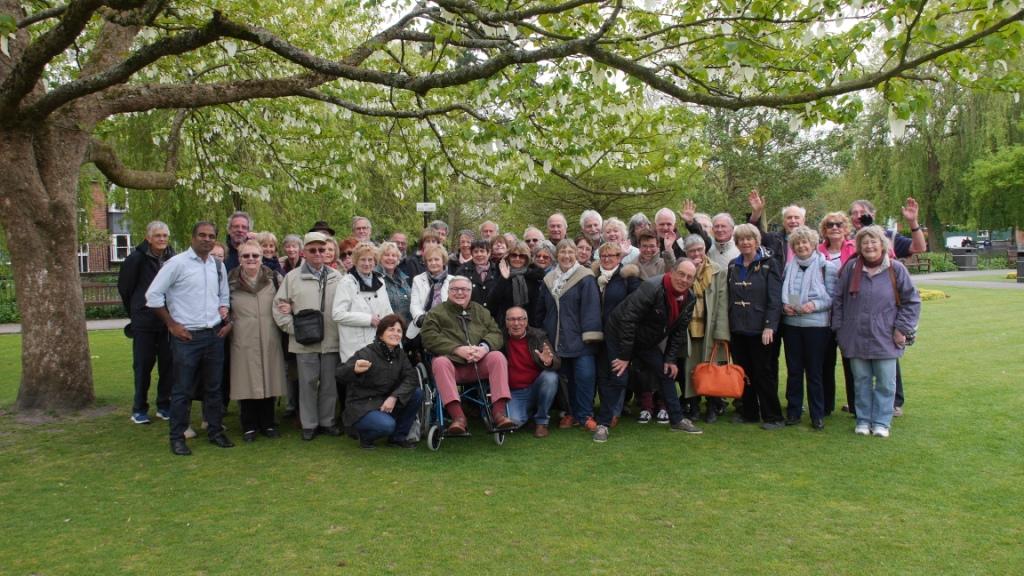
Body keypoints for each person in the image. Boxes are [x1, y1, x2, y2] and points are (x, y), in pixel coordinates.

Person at [146, 221, 234, 456]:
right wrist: (171, 324)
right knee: (182, 389)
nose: (207, 239)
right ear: (192, 237)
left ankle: (215, 431)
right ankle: (177, 437)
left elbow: (223, 296)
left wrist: (225, 318)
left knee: (214, 388)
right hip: (188, 336)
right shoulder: (176, 264)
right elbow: (153, 295)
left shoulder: (217, 266)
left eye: (211, 236)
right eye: (202, 235)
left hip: (214, 334)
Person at [832, 226, 920, 438]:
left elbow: (911, 301)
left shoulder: (895, 269)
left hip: (885, 335)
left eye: (874, 242)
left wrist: (902, 329)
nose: (870, 246)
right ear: (860, 247)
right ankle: (863, 419)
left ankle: (881, 421)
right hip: (855, 335)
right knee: (860, 381)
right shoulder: (851, 268)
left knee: (885, 382)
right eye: (865, 243)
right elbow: (838, 300)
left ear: (882, 245)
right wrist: (839, 331)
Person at [603, 259, 704, 442]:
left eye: (689, 277)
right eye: (681, 274)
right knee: (619, 376)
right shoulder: (652, 287)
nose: (684, 279)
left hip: (645, 339)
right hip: (619, 333)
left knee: (666, 372)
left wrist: (670, 359)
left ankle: (677, 420)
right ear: (672, 271)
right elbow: (628, 320)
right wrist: (625, 356)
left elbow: (679, 331)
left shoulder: (689, 298)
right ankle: (603, 424)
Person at [420, 276, 516, 434]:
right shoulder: (436, 313)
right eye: (455, 289)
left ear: (470, 292)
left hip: (479, 364)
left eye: (464, 289)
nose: (459, 293)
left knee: (497, 356)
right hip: (452, 366)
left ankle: (499, 414)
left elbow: (496, 333)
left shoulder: (480, 311)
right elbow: (429, 337)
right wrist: (457, 349)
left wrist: (484, 348)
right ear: (448, 292)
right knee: (439, 362)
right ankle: (458, 418)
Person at [273, 231, 344, 441]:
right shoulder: (292, 278)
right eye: (312, 250)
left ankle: (327, 421)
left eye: (322, 250)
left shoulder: (337, 277)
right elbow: (278, 307)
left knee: (329, 385)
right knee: (307, 384)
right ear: (304, 252)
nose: (318, 254)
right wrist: (294, 329)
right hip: (304, 342)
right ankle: (309, 424)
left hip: (331, 340)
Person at [536, 239, 603, 431]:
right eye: (562, 252)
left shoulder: (585, 278)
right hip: (556, 340)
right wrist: (542, 336)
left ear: (576, 255)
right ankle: (570, 413)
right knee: (566, 381)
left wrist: (589, 338)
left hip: (581, 340)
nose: (566, 256)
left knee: (585, 378)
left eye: (570, 252)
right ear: (557, 256)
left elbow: (591, 309)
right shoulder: (549, 280)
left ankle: (585, 415)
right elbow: (541, 310)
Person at [780, 227, 838, 431]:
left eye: (805, 242)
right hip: (792, 325)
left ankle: (817, 414)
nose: (801, 246)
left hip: (816, 326)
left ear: (814, 244)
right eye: (797, 243)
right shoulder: (789, 267)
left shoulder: (826, 267)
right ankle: (794, 411)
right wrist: (784, 305)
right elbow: (784, 293)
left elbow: (832, 297)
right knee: (794, 371)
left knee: (815, 372)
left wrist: (814, 305)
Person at [727, 223, 784, 430]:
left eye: (749, 238)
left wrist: (770, 326)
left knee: (764, 372)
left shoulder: (770, 264)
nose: (745, 242)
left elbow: (775, 299)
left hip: (762, 329)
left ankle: (773, 416)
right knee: (745, 373)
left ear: (756, 240)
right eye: (741, 239)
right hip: (738, 328)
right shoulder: (733, 265)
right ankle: (749, 412)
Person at [337, 315, 424, 449]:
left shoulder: (400, 354)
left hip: (385, 401)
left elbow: (411, 378)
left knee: (417, 393)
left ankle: (397, 438)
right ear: (381, 334)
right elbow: (340, 374)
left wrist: (394, 396)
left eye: (399, 331)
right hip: (362, 406)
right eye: (391, 330)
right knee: (387, 425)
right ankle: (365, 437)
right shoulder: (367, 353)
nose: (395, 333)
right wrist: (353, 369)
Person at [118, 220, 176, 425]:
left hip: (167, 320)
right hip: (144, 322)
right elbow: (126, 288)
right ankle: (139, 408)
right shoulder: (136, 259)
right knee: (143, 365)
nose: (162, 239)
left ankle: (164, 404)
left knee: (168, 364)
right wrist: (137, 311)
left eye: (165, 236)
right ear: (148, 238)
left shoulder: (172, 258)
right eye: (158, 236)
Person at [228, 241, 285, 442]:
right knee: (246, 380)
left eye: (255, 255)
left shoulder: (274, 278)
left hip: (269, 335)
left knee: (269, 379)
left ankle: (268, 423)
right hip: (243, 336)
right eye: (246, 256)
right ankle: (249, 425)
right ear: (239, 258)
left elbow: (285, 300)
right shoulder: (230, 281)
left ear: (262, 257)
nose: (251, 259)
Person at [677, 234, 731, 424]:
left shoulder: (718, 271)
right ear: (686, 253)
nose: (697, 254)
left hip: (711, 328)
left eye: (700, 249)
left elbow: (723, 303)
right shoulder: (682, 272)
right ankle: (693, 407)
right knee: (691, 370)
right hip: (690, 329)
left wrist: (721, 332)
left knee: (712, 369)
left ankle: (712, 407)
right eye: (692, 251)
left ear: (705, 250)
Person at [591, 241, 641, 441]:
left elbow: (635, 308)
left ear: (619, 258)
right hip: (596, 335)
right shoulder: (593, 277)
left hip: (619, 336)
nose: (607, 259)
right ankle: (607, 413)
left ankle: (608, 416)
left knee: (618, 375)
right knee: (603, 376)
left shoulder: (627, 278)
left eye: (611, 256)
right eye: (603, 256)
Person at [818, 212, 856, 416]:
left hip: (848, 314)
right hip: (824, 315)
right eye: (830, 225)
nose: (834, 228)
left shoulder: (854, 249)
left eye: (839, 224)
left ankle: (856, 404)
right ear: (824, 230)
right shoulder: (817, 251)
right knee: (825, 361)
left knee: (851, 361)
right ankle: (825, 405)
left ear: (846, 228)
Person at [502, 306, 560, 438]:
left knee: (550, 377)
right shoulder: (501, 339)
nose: (516, 323)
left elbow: (556, 362)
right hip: (514, 392)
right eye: (512, 319)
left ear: (526, 321)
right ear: (506, 322)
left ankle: (541, 421)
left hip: (536, 386)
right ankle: (529, 413)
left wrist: (548, 362)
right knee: (514, 423)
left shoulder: (538, 336)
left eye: (520, 319)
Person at [332, 242, 394, 363]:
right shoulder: (346, 282)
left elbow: (387, 311)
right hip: (355, 347)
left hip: (380, 343)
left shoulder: (380, 280)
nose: (367, 263)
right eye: (362, 259)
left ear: (375, 261)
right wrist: (368, 319)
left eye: (370, 259)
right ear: (355, 261)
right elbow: (337, 314)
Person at [491, 241, 546, 329]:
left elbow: (537, 305)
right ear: (508, 257)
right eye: (514, 255)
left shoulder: (533, 276)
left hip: (529, 326)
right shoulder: (500, 271)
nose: (517, 258)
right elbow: (492, 302)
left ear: (527, 258)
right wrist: (503, 278)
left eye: (521, 256)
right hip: (505, 326)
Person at [407, 245, 452, 340]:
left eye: (436, 259)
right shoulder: (418, 280)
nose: (433, 263)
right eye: (430, 260)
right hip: (424, 326)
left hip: (448, 328)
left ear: (443, 261)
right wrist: (422, 319)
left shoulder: (453, 280)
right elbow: (414, 305)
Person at [457, 239, 499, 317]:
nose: (479, 254)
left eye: (482, 251)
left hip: (493, 317)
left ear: (489, 253)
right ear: (472, 253)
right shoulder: (463, 270)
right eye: (476, 251)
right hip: (470, 317)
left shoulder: (497, 270)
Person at [378, 241, 413, 327]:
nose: (390, 258)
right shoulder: (376, 278)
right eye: (386, 255)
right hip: (386, 329)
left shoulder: (403, 279)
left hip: (405, 329)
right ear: (380, 258)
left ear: (398, 259)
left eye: (394, 255)